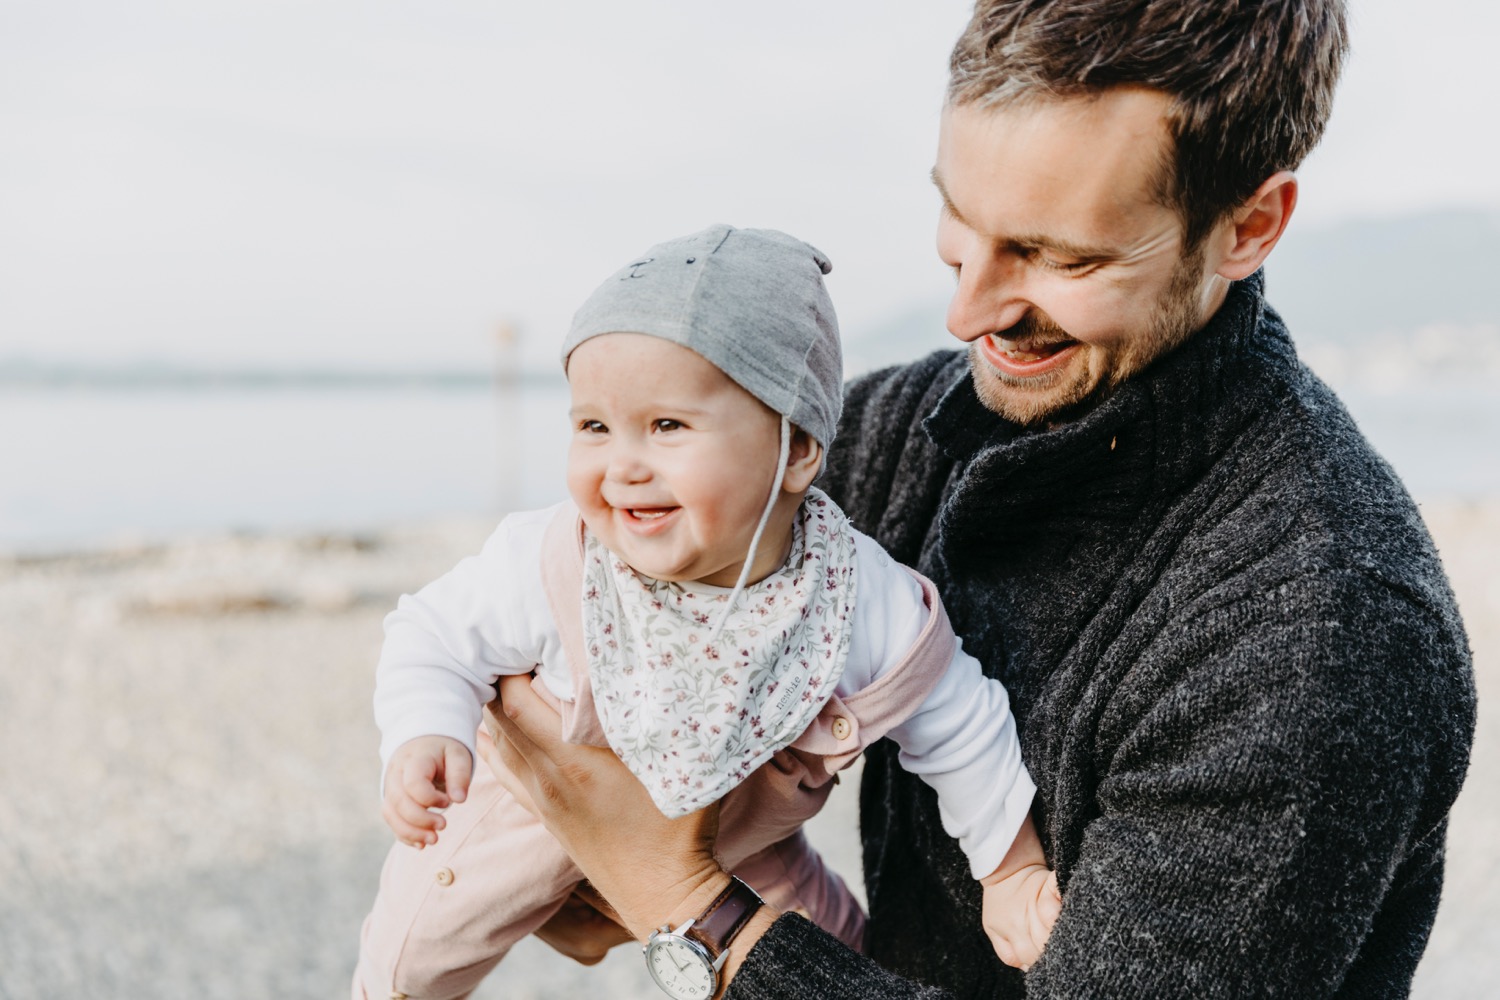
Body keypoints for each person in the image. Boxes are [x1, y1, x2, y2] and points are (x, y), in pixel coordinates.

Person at [481, 1, 1478, 997]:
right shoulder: (913, 426)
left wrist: (678, 896)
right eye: (959, 221)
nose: (967, 312)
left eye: (1059, 255)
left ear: (1246, 226)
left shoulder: (1320, 636)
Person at [353, 225, 1062, 1000]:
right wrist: (426, 730)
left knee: (843, 956)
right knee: (414, 954)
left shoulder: (849, 592)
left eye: (667, 426)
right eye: (594, 426)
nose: (623, 464)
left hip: (747, 833)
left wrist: (1010, 866)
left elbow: (958, 715)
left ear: (795, 450)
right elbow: (433, 634)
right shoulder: (554, 562)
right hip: (527, 814)